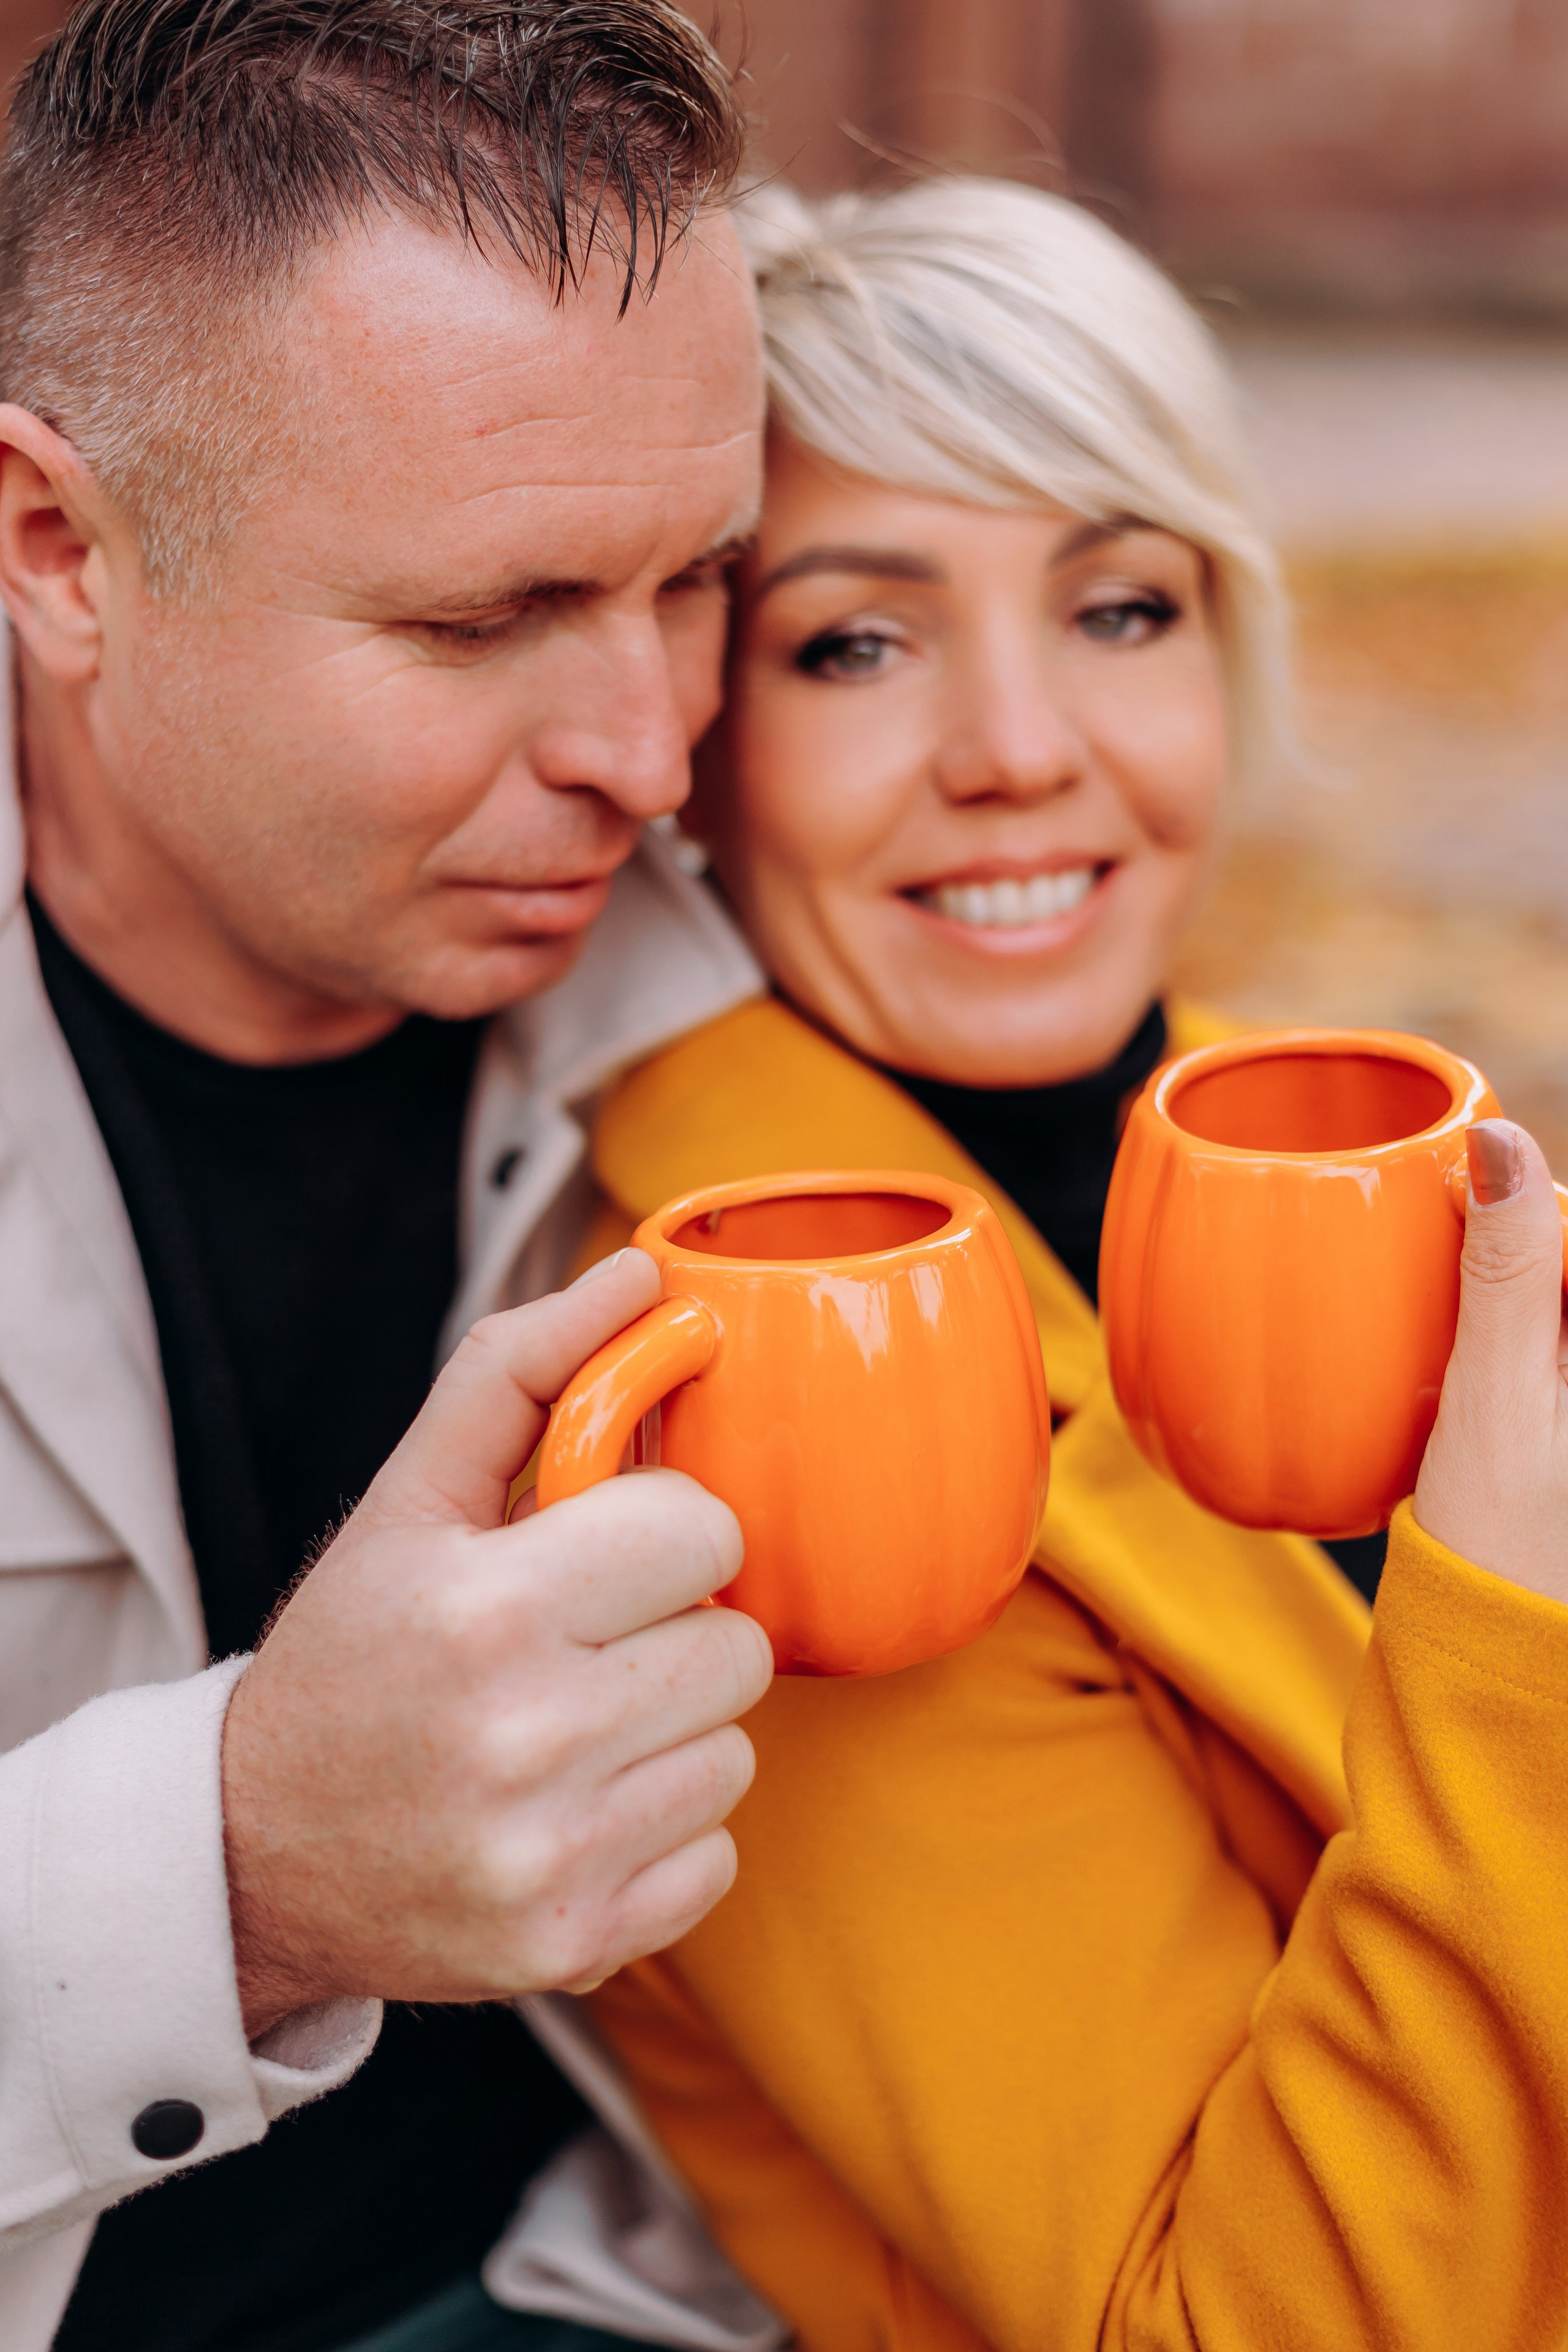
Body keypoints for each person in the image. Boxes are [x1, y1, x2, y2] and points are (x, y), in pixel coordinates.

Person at [566, 180, 1568, 2347]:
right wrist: (1511, 1617)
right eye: (857, 639)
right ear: (688, 750)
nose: (1024, 745)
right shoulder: (745, 1429)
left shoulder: (1284, 1144)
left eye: (1123, 607)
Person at [0, 6, 785, 2350]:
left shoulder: (768, 928)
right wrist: (241, 1872)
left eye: (701, 580)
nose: (649, 756)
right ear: (55, 544)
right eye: (480, 620)